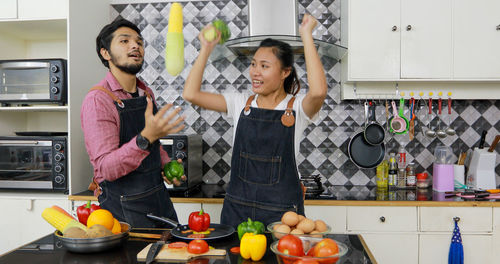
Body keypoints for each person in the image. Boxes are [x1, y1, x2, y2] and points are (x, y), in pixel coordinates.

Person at [183, 14, 327, 227]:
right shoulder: (240, 102)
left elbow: (318, 92)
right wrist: (205, 48)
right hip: (237, 209)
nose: (255, 72)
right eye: (253, 64)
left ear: (285, 72)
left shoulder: (296, 108)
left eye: (264, 66)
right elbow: (191, 94)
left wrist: (306, 35)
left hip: (281, 212)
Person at [81, 19, 185, 228]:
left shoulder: (146, 92)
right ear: (105, 53)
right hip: (123, 210)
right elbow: (107, 168)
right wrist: (145, 138)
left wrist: (165, 163)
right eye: (124, 41)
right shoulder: (98, 100)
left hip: (159, 199)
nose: (135, 46)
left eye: (139, 42)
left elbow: (152, 142)